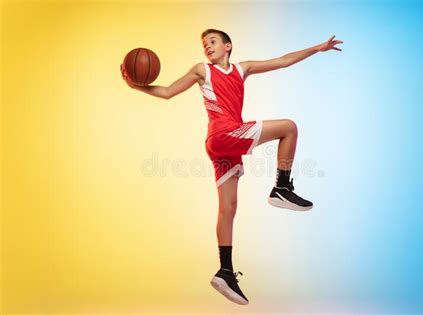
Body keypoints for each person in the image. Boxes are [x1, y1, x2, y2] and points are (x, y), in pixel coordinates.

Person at [120, 29, 343, 305]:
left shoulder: (243, 69)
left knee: (228, 208)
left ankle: (225, 271)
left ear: (228, 46)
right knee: (289, 128)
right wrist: (136, 86)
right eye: (204, 44)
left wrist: (317, 48)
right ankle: (282, 187)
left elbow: (283, 60)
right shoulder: (202, 70)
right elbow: (166, 92)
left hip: (223, 145)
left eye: (212, 42)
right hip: (224, 134)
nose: (207, 47)